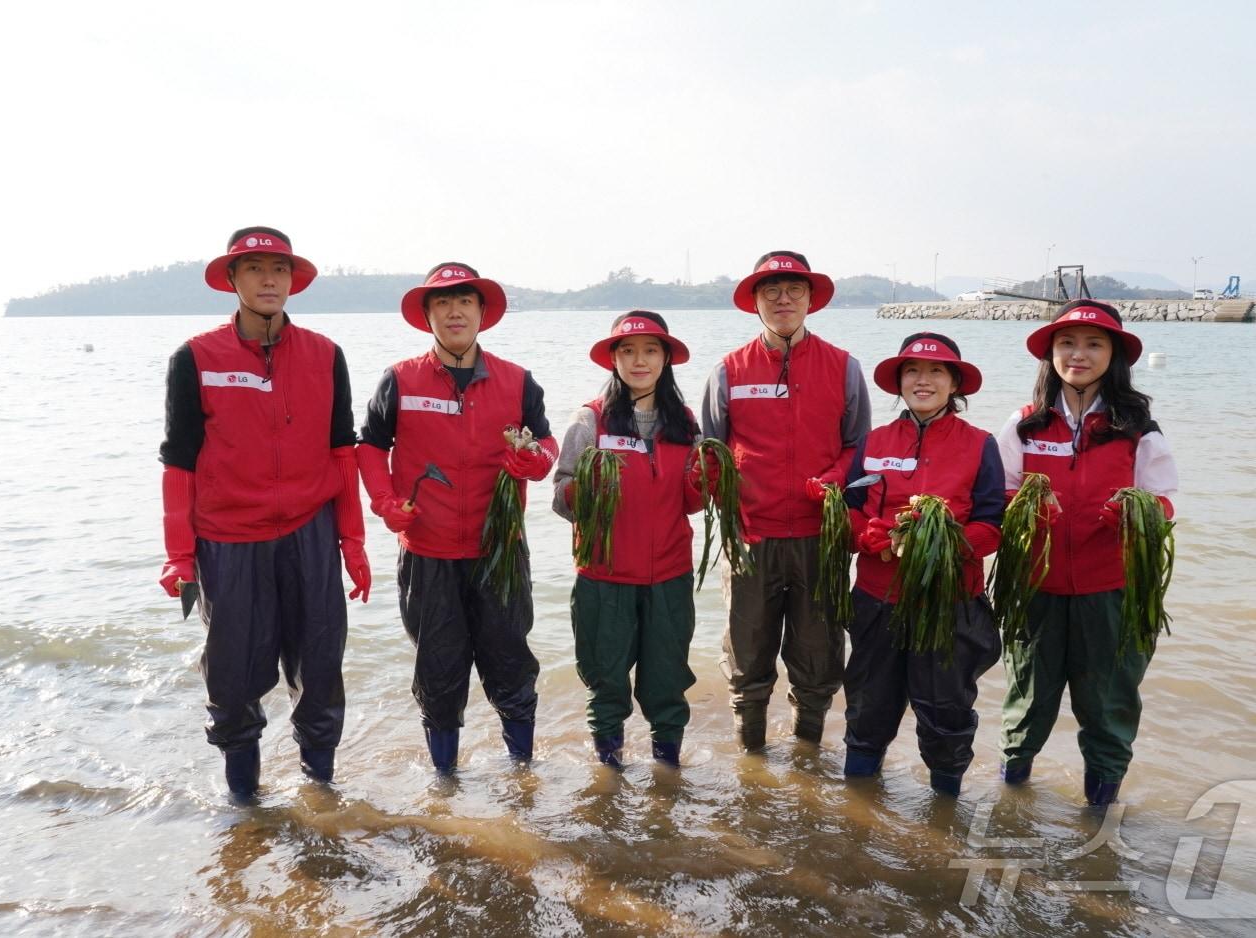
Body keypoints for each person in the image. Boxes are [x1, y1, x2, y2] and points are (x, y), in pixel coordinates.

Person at [158, 226, 370, 800]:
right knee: (232, 676)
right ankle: (243, 807)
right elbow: (179, 464)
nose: (269, 278)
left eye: (279, 268)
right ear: (232, 279)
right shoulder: (196, 357)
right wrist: (180, 555)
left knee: (321, 666)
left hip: (310, 531)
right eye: (254, 268)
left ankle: (321, 796)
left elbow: (341, 453)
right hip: (227, 538)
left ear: (293, 279)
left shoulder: (326, 355)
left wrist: (352, 543)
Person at [357, 262, 557, 776]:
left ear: (481, 313)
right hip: (429, 554)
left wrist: (532, 460)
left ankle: (523, 778)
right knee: (439, 674)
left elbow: (546, 444)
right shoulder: (400, 379)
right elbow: (371, 447)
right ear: (427, 315)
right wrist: (384, 502)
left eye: (464, 301)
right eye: (442, 302)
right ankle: (445, 786)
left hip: (501, 552)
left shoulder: (517, 381)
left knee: (512, 669)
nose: (454, 311)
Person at [996, 300, 1178, 806]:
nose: (1079, 354)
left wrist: (1134, 512)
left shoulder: (1136, 424)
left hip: (1112, 590)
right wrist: (1026, 509)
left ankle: (1101, 813)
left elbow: (1162, 497)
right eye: (1067, 343)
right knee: (1028, 701)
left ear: (1114, 355)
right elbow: (1000, 491)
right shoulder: (1026, 423)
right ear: (1050, 354)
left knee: (1108, 705)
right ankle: (1012, 803)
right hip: (1037, 588)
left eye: (1094, 344)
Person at [701, 251, 872, 751]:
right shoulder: (729, 370)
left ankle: (807, 761)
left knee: (817, 657)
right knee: (747, 656)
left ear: (810, 299)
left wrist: (834, 480)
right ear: (754, 300)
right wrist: (730, 507)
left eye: (794, 289)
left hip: (821, 538)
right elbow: (710, 451)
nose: (782, 299)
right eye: (770, 289)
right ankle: (749, 761)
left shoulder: (843, 367)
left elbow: (858, 448)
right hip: (751, 538)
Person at [840, 333, 1004, 796]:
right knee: (869, 705)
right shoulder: (874, 441)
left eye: (936, 371)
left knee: (946, 711)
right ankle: (857, 805)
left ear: (955, 383)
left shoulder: (979, 444)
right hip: (877, 599)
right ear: (899, 382)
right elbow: (851, 506)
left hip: (948, 604)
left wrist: (946, 544)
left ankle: (945, 808)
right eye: (912, 371)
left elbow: (992, 523)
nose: (923, 380)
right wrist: (865, 535)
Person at [551, 312, 707, 769]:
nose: (639, 360)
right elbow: (561, 499)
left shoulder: (684, 422)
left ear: (666, 359)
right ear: (613, 359)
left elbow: (691, 502)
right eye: (627, 350)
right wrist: (586, 485)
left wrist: (707, 480)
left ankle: (668, 778)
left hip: (670, 576)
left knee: (667, 685)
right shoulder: (590, 420)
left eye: (650, 350)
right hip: (605, 577)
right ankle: (608, 778)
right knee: (606, 685)